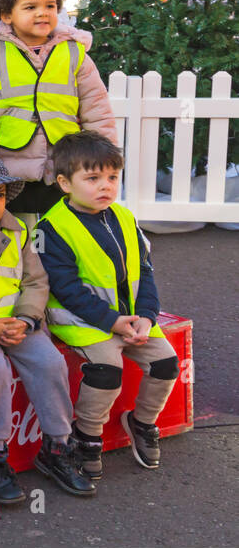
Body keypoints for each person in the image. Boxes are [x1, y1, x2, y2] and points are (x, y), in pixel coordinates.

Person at [0, 148, 96, 500]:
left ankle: (57, 447)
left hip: (15, 322)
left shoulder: (18, 230)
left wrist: (26, 319)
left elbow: (34, 281)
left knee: (51, 362)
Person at [36, 132, 179, 480]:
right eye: (93, 178)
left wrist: (146, 316)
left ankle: (142, 422)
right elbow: (66, 290)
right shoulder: (52, 227)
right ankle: (86, 436)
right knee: (107, 371)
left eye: (113, 177)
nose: (106, 186)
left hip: (129, 317)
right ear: (64, 183)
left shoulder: (125, 217)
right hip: (79, 319)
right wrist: (113, 322)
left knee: (167, 363)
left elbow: (144, 271)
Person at [0, 0, 118, 214]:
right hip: (9, 169)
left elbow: (97, 108)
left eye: (50, 6)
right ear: (7, 14)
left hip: (66, 166)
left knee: (60, 230)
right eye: (30, 7)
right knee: (19, 235)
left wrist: (104, 157)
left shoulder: (75, 54)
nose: (42, 13)